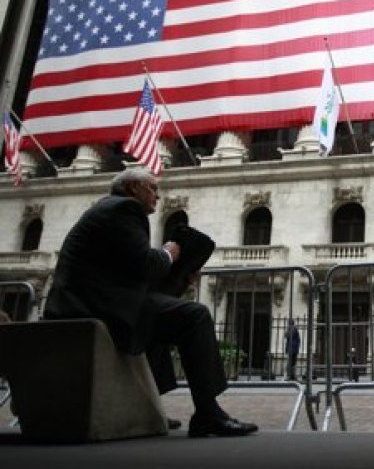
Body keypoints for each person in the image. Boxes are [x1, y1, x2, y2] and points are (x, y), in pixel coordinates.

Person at [44, 168, 257, 438]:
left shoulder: (108, 210)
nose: (158, 196)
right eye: (153, 188)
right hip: (94, 306)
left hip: (94, 302)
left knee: (163, 319)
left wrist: (181, 280)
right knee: (196, 315)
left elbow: (136, 279)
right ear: (133, 187)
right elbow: (146, 264)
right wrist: (169, 252)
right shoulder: (124, 209)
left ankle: (147, 408)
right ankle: (207, 412)